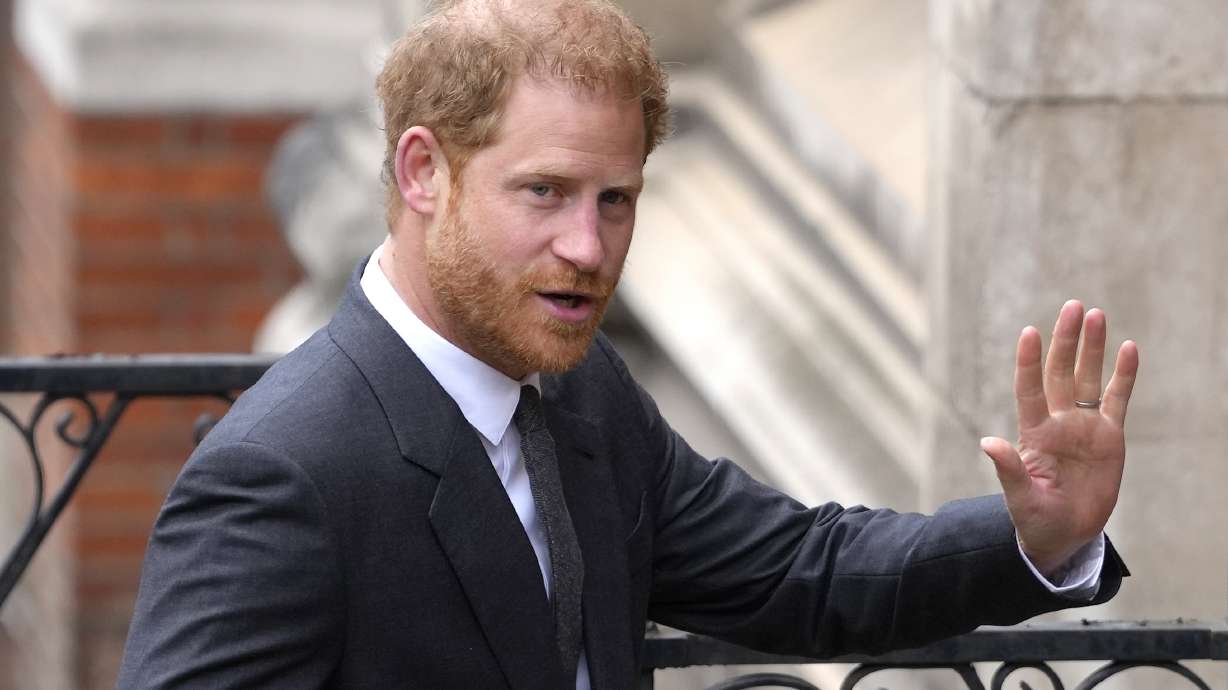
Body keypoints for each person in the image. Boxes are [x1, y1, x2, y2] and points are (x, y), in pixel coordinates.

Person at [116, 1, 1139, 688]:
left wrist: (1036, 535)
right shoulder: (278, 475)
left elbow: (799, 568)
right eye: (544, 192)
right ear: (422, 173)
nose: (588, 247)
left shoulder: (581, 396)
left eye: (617, 200)